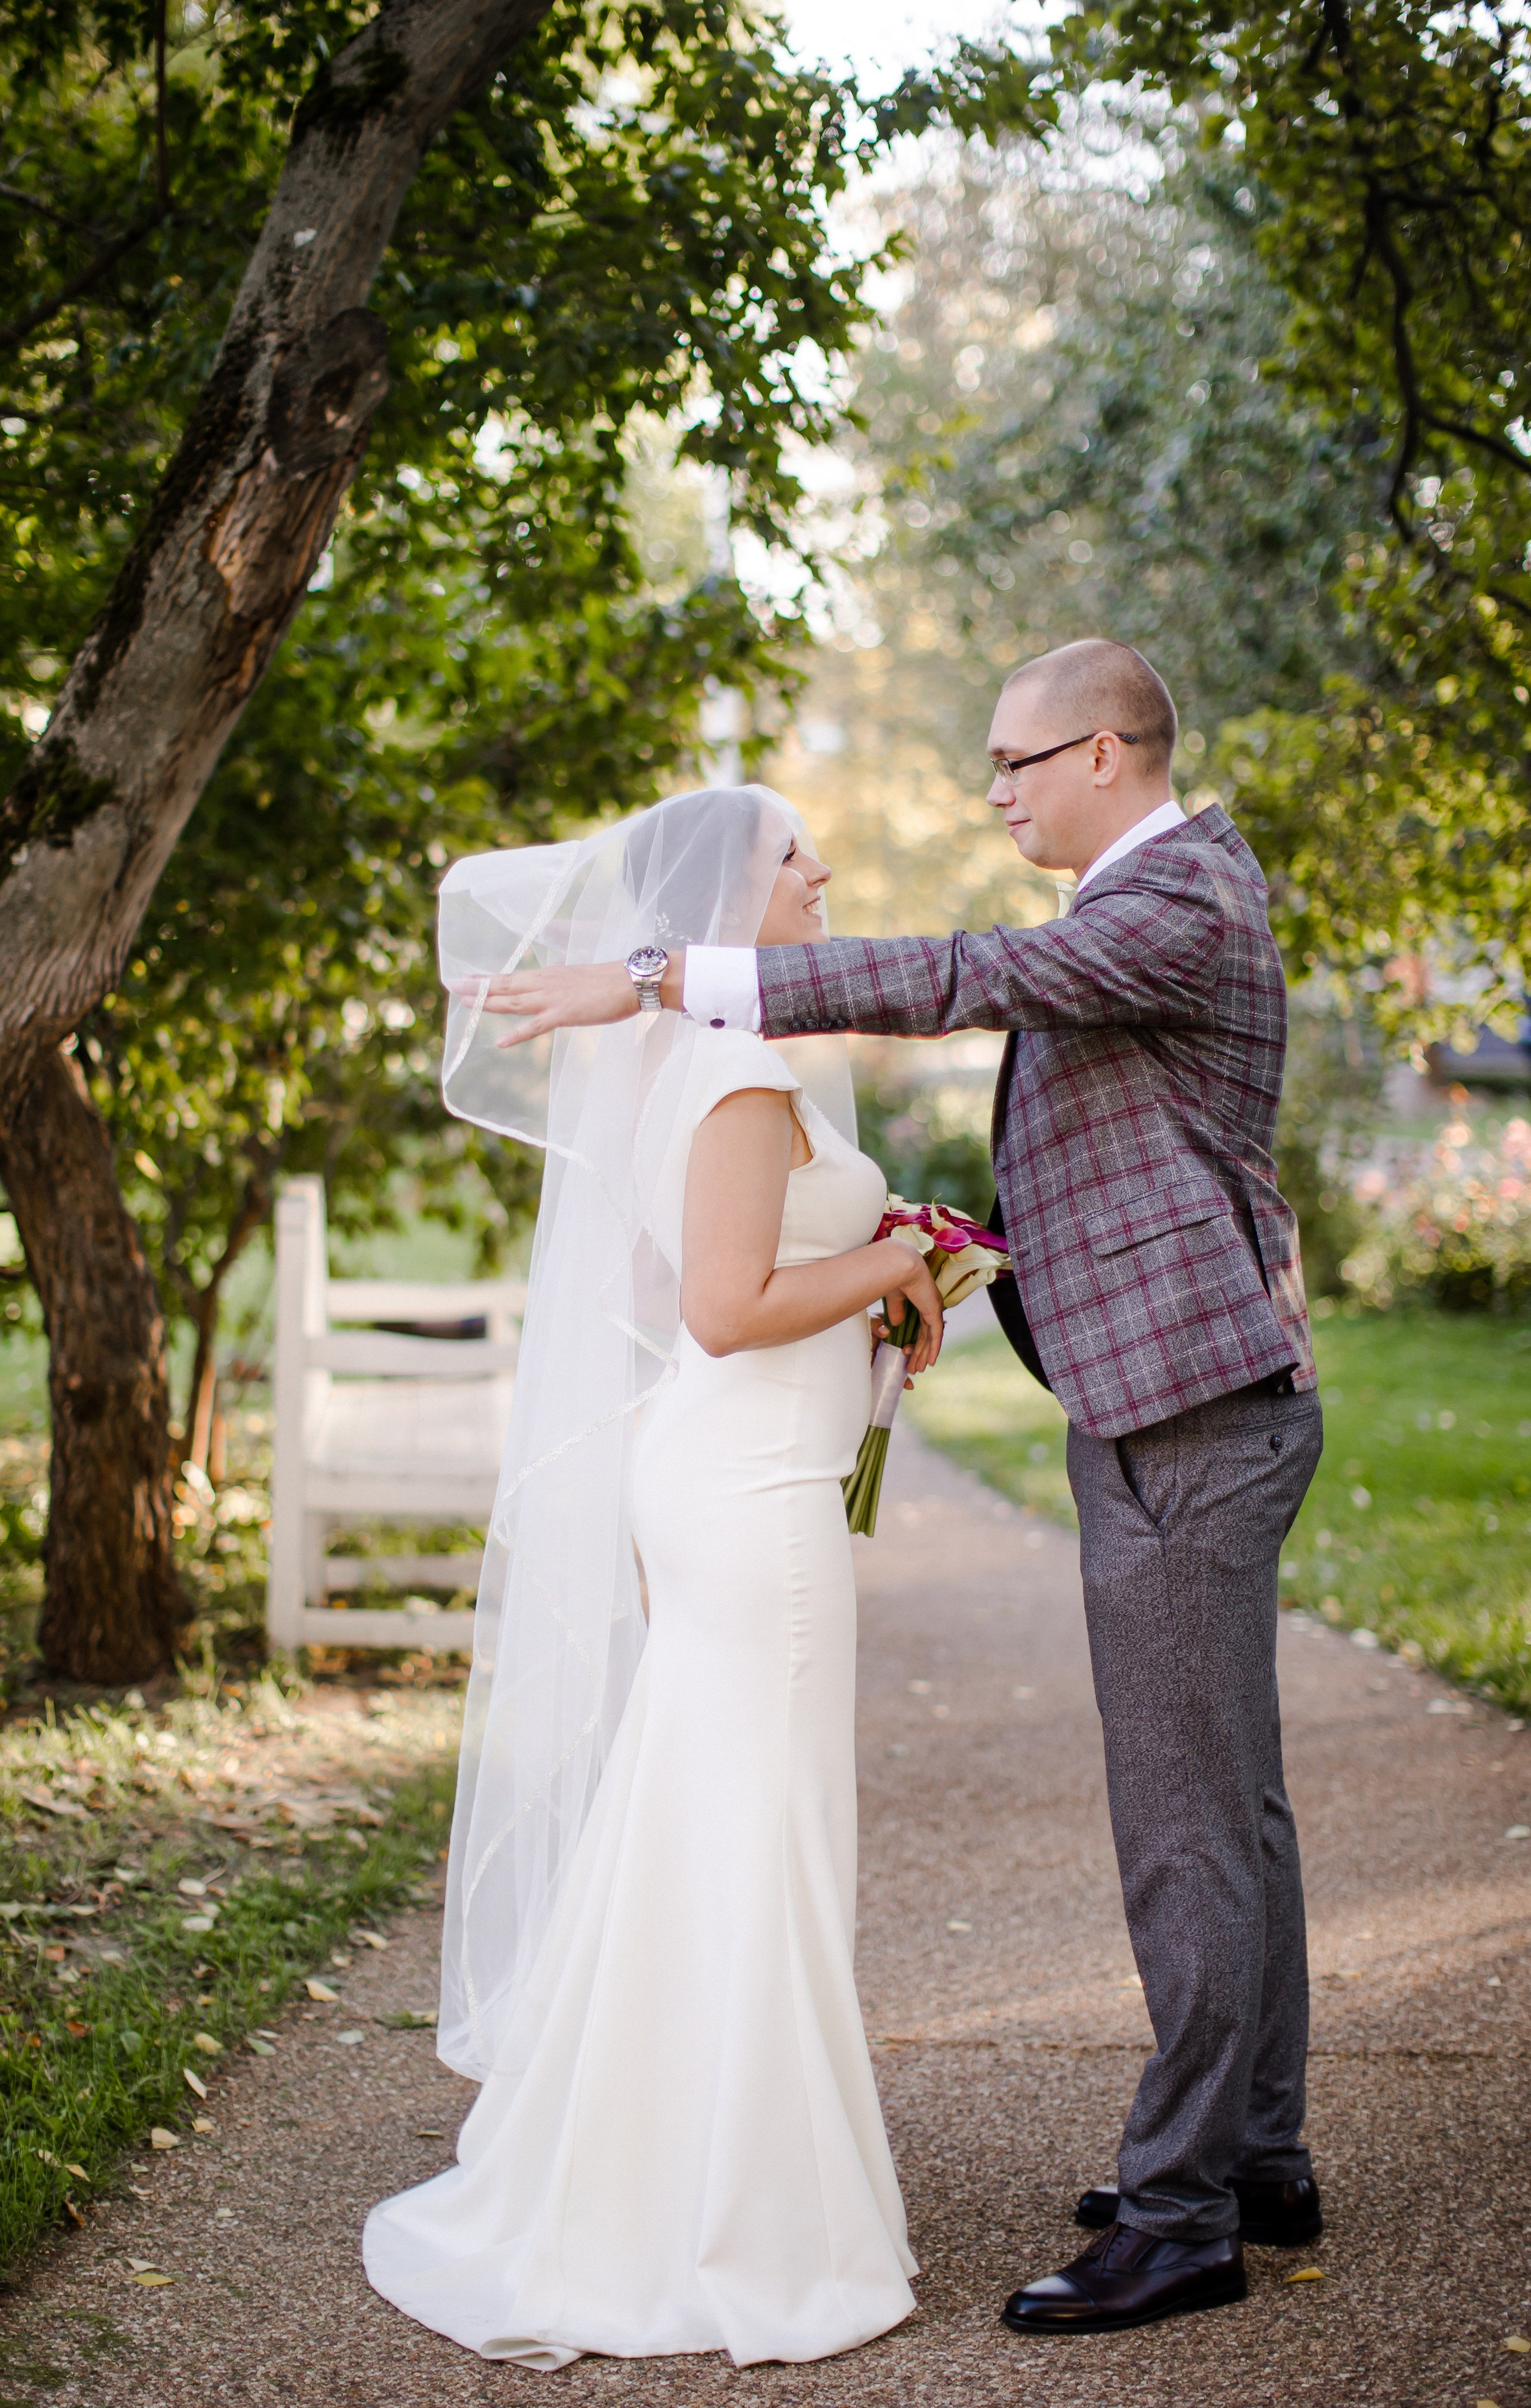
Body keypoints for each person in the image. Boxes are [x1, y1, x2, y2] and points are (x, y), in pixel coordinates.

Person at [483, 638, 1325, 2337]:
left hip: (1188, 1410)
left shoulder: (1175, 896)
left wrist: (660, 975)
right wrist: (922, 1257)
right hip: (1172, 1398)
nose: (992, 791)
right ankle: (1254, 2155)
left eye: (1016, 762)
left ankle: (1183, 2219)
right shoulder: (1157, 892)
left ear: (1105, 751)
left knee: (1188, 1827)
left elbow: (958, 976)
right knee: (1225, 1808)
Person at [363, 785, 942, 2368]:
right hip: (748, 1491)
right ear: (719, 899)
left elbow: (675, 1273)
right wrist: (898, 1260)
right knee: (766, 1837)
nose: (820, 869)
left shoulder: (696, 1056)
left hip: (734, 1474)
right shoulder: (737, 1069)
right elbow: (722, 1308)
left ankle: (668, 2172)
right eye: (789, 853)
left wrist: (873, 1289)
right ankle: (750, 2219)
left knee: (702, 1821)